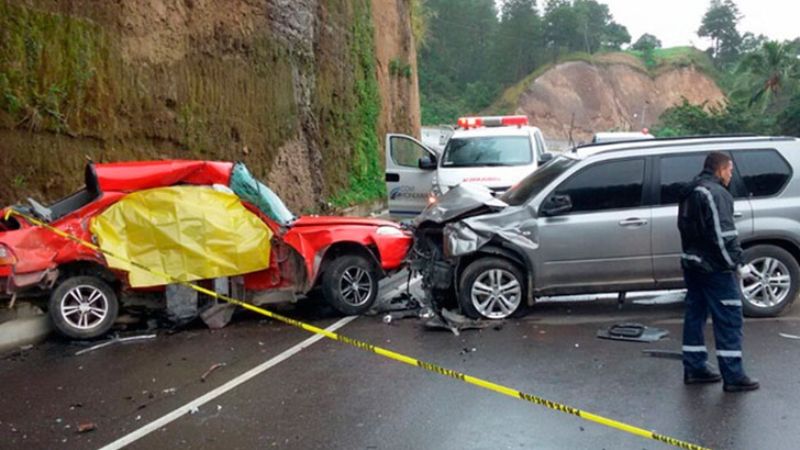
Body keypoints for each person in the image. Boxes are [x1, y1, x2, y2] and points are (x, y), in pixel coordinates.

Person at [677, 151, 759, 392]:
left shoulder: (691, 190)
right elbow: (723, 236)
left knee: (695, 314)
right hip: (714, 268)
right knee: (729, 318)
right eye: (730, 170)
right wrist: (737, 263)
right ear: (721, 169)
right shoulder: (716, 193)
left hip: (692, 263)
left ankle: (695, 368)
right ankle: (733, 376)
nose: (730, 175)